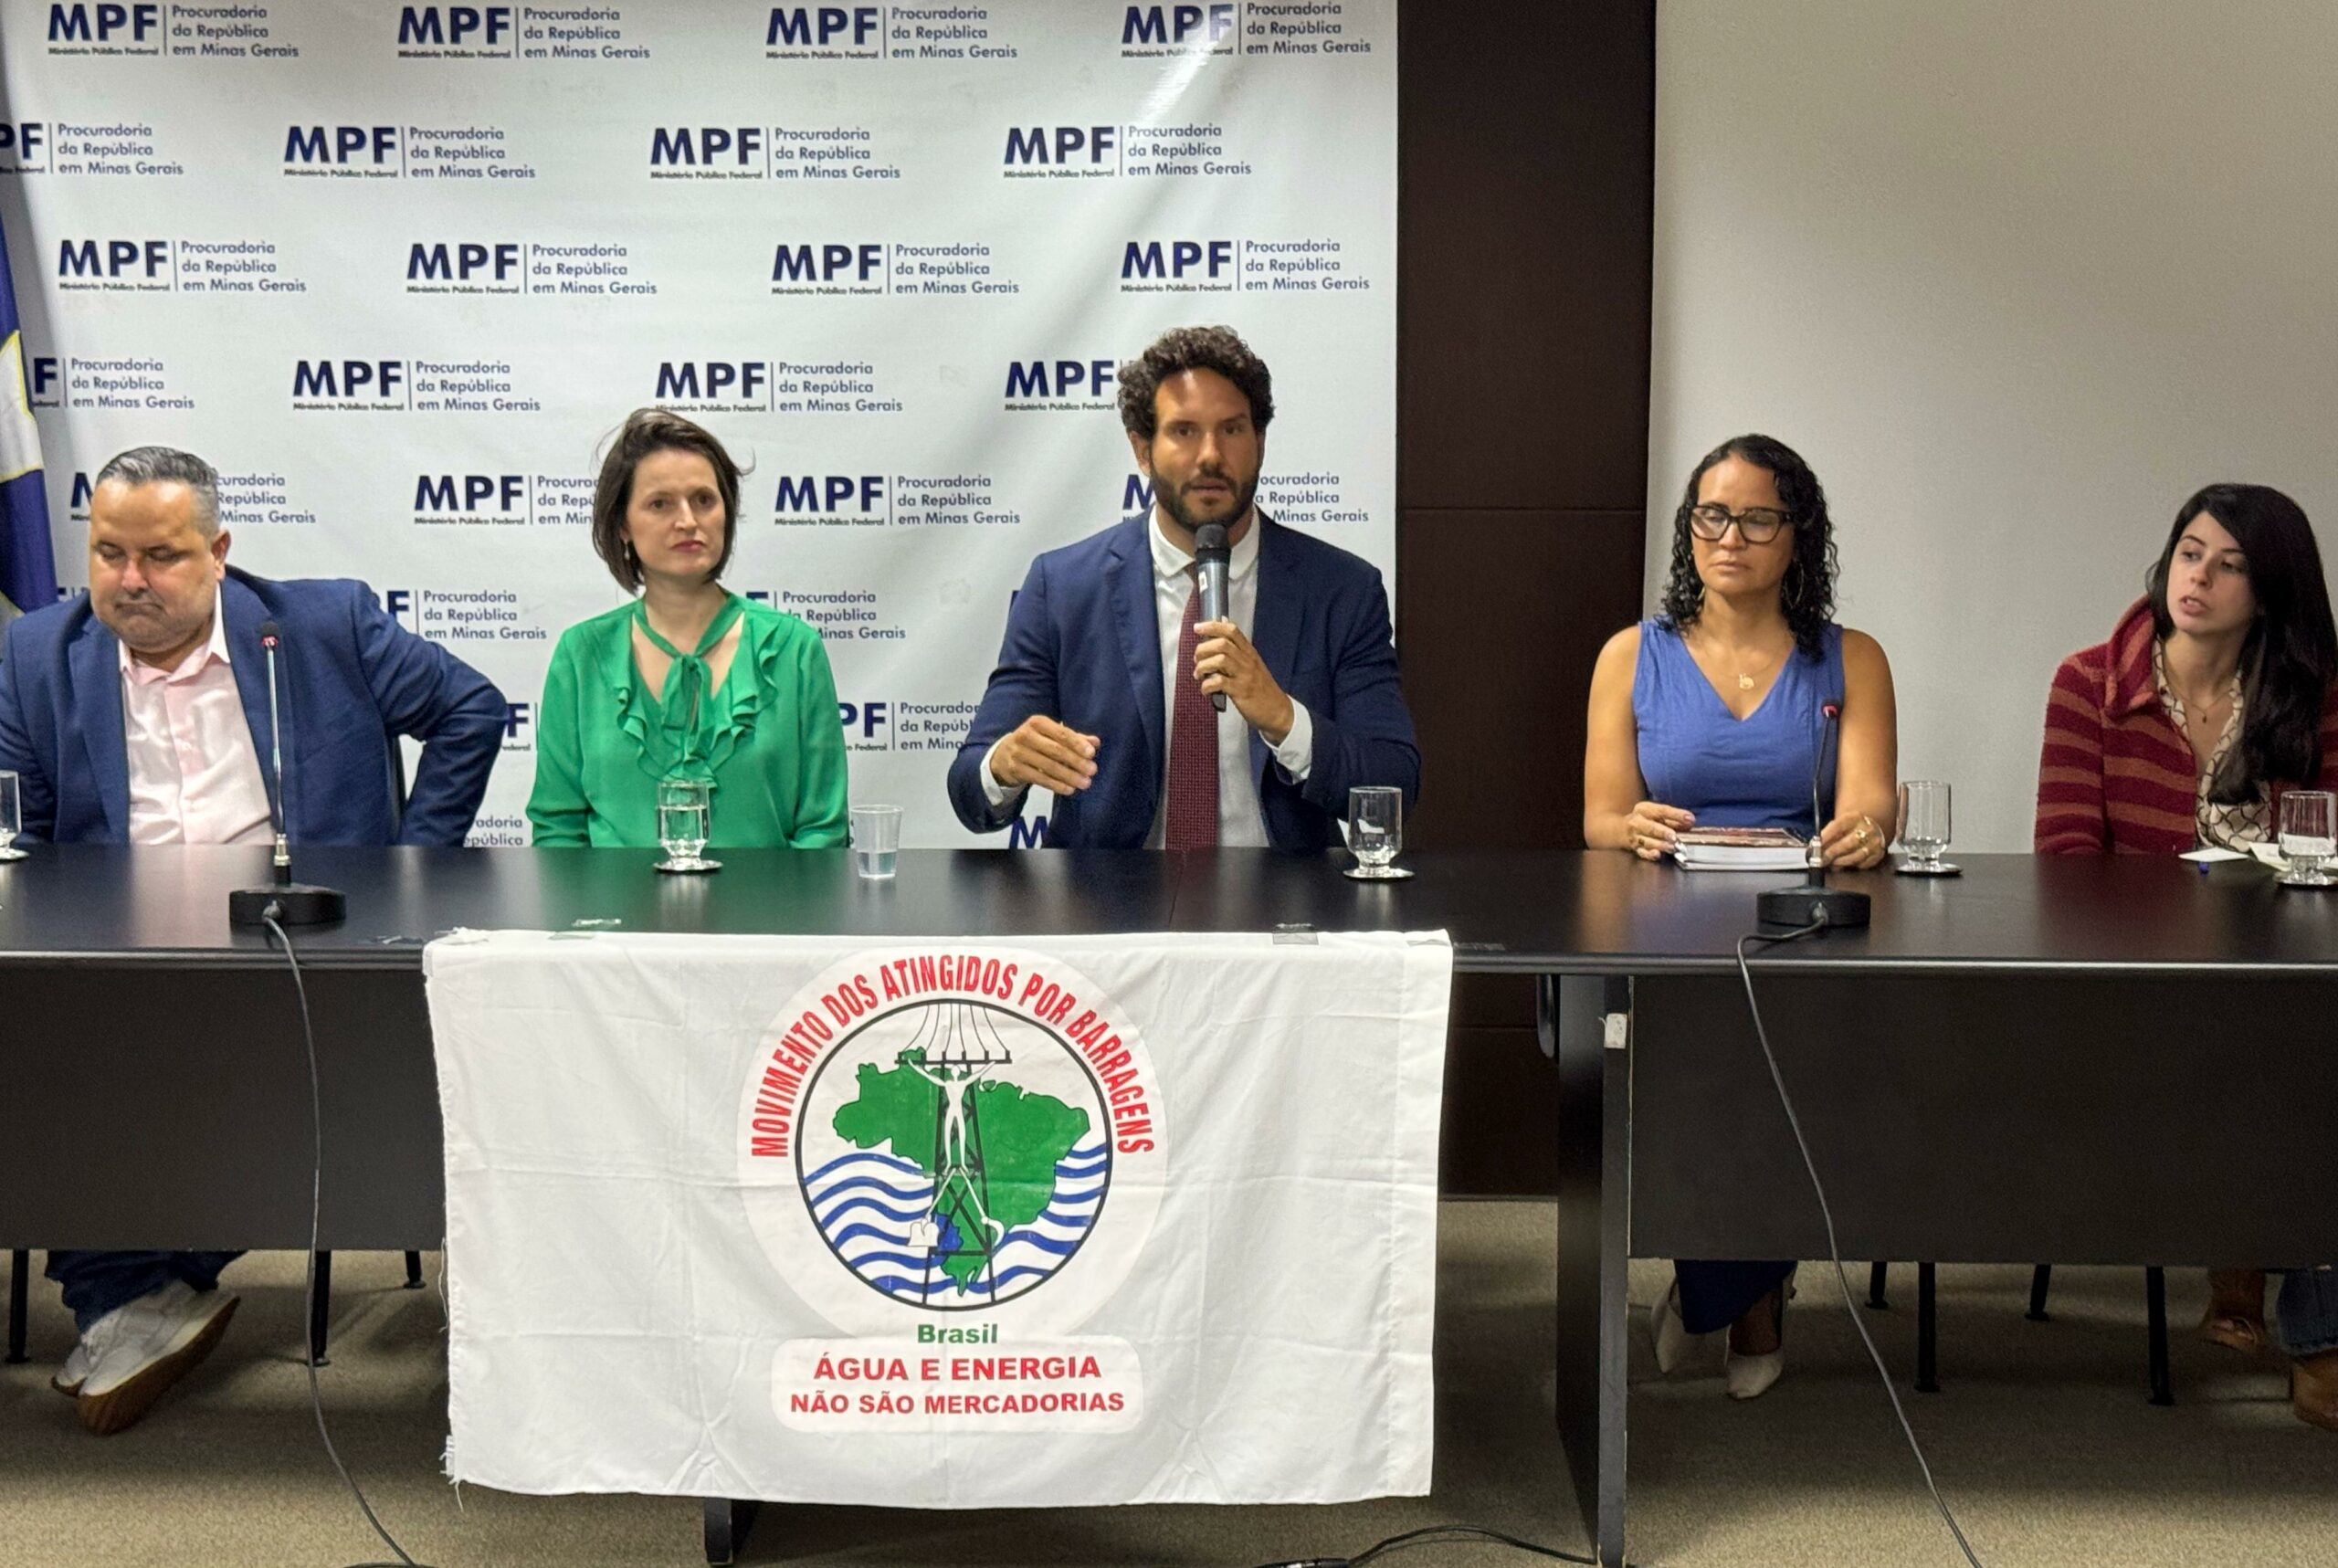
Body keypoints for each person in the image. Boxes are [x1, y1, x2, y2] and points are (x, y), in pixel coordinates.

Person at [0, 445, 505, 1434]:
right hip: (118, 960)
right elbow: (25, 831)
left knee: (247, 1075)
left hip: (300, 948)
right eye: (108, 554)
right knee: (51, 1046)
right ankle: (132, 1301)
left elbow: (469, 710)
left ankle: (128, 1301)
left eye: (161, 556)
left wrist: (407, 865)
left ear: (219, 551)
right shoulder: (37, 654)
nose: (131, 579)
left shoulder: (320, 626)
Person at [1582, 433, 1899, 1399]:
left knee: (1787, 1061)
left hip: (1797, 925)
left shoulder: (1850, 658)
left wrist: (1864, 830)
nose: (1731, 536)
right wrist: (1628, 825)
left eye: (1758, 518)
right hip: (1665, 924)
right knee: (1692, 1063)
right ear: (1689, 528)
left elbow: (1872, 807)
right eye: (1712, 516)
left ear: (1797, 535)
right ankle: (1745, 1295)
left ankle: (1723, 1291)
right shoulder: (1631, 654)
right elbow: (1600, 817)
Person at [2035, 481, 2338, 1430]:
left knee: (2309, 1055)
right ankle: (2296, 1314)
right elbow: (2064, 866)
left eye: (2231, 564)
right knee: (2283, 1070)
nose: (2198, 577)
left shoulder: (2315, 696)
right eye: (2190, 552)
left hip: (2281, 977)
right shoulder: (2089, 684)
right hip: (2139, 989)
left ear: (2272, 589)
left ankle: (2297, 1310)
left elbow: (2330, 851)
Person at [947, 325, 1418, 848]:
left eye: (1232, 430)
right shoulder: (1061, 588)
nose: (1210, 455)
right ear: (1142, 449)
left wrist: (1285, 720)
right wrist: (1005, 765)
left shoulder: (1341, 590)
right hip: (1109, 895)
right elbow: (970, 794)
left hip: (1283, 893)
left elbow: (1395, 782)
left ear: (1260, 443)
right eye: (1185, 431)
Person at [529, 409, 848, 849]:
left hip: (770, 897)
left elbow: (823, 830)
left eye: (703, 500)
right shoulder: (581, 653)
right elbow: (557, 830)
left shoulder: (793, 649)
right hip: (611, 898)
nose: (687, 521)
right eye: (660, 503)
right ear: (622, 524)